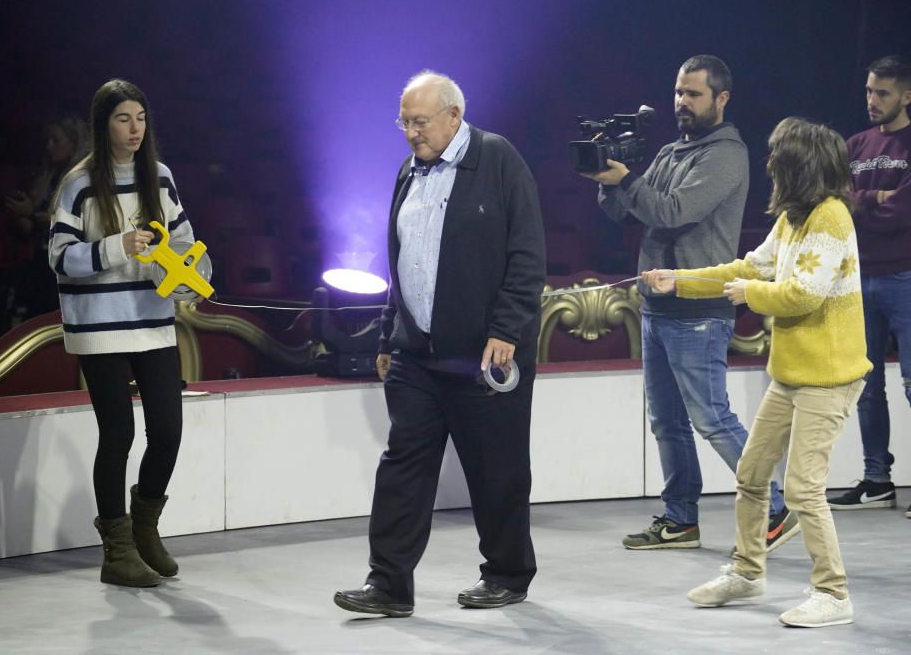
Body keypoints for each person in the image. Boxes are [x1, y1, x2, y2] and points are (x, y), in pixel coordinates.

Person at [333, 71, 546, 617]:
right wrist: (388, 333)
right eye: (404, 122)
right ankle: (388, 585)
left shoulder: (498, 160)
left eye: (420, 122)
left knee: (495, 469)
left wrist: (505, 330)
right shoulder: (409, 171)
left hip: (484, 355)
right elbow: (404, 260)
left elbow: (527, 256)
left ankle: (507, 573)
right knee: (403, 464)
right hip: (416, 355)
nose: (410, 133)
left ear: (454, 116)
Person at [648, 117, 872, 627]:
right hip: (791, 373)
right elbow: (748, 267)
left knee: (801, 489)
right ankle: (748, 572)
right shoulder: (794, 217)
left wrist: (752, 296)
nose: (770, 165)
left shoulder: (832, 218)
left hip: (830, 376)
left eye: (778, 158)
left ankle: (833, 594)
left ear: (801, 166)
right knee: (751, 474)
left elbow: (802, 294)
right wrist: (679, 280)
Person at [583, 54, 795, 550]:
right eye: (679, 92)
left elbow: (674, 212)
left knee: (712, 418)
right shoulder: (672, 151)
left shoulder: (726, 155)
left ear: (721, 98)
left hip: (699, 308)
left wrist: (627, 183)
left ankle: (776, 507)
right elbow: (628, 211)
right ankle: (680, 519)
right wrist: (606, 182)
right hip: (659, 306)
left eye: (693, 94)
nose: (681, 102)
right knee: (668, 422)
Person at [49, 79, 194, 587]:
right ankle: (116, 550)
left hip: (153, 322)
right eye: (122, 119)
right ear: (102, 124)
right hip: (100, 328)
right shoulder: (80, 182)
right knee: (119, 434)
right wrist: (117, 246)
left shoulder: (161, 176)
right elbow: (60, 257)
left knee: (169, 431)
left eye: (140, 118)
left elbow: (182, 240)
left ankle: (145, 526)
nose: (135, 129)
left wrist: (190, 278)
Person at [828, 55, 911, 513]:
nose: (872, 100)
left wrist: (865, 206)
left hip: (906, 275)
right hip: (860, 278)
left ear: (906, 96)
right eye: (868, 91)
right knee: (867, 383)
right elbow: (835, 203)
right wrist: (871, 198)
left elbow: (903, 212)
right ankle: (877, 479)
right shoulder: (854, 144)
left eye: (882, 92)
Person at [8, 114, 89, 320]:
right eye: (46, 141)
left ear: (74, 141)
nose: (48, 146)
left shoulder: (86, 178)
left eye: (56, 140)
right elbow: (31, 229)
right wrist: (20, 217)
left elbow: (72, 223)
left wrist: (31, 214)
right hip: (45, 258)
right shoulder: (48, 175)